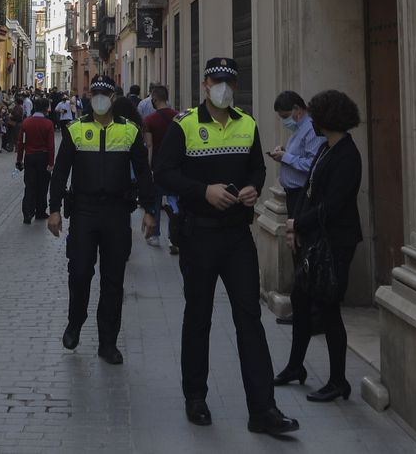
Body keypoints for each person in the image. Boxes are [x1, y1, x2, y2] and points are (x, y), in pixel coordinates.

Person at [154, 56, 298, 436]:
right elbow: (163, 172)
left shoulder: (246, 124)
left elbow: (258, 168)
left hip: (237, 236)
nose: (223, 88)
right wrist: (203, 191)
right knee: (198, 317)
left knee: (249, 319)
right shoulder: (183, 126)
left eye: (229, 83)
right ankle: (195, 397)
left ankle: (263, 410)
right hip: (199, 235)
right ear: (205, 85)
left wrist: (253, 189)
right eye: (217, 81)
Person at [48, 75, 157, 365]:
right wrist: (54, 209)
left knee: (113, 280)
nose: (98, 97)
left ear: (113, 98)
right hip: (83, 212)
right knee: (80, 272)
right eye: (94, 92)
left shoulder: (130, 131)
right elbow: (60, 173)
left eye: (103, 93)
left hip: (117, 213)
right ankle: (75, 321)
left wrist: (149, 209)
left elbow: (143, 172)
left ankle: (108, 343)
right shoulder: (75, 130)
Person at [274, 90, 363, 401]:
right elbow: (309, 192)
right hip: (316, 238)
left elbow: (335, 205)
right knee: (301, 300)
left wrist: (299, 224)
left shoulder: (347, 155)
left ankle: (339, 380)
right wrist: (296, 226)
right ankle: (296, 366)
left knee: (328, 309)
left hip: (337, 241)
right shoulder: (327, 148)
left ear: (327, 119)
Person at [269, 90, 324, 326]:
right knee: (297, 250)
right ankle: (302, 308)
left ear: (296, 109)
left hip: (303, 196)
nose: (284, 120)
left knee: (303, 251)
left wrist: (286, 158)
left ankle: (311, 311)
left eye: (285, 115)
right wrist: (285, 153)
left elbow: (313, 165)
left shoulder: (310, 129)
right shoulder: (298, 129)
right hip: (293, 196)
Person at [140, 85, 179, 251]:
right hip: (176, 167)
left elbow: (149, 145)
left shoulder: (149, 120)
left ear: (154, 99)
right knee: (173, 201)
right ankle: (174, 238)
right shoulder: (179, 117)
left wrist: (148, 169)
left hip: (157, 167)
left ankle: (155, 235)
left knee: (155, 202)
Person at [16, 101, 56, 224]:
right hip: (43, 157)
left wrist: (19, 160)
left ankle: (27, 213)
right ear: (45, 109)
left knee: (30, 185)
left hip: (30, 157)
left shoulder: (26, 123)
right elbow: (51, 145)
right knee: (43, 186)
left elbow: (21, 143)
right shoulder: (48, 124)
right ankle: (40, 211)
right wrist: (51, 162)